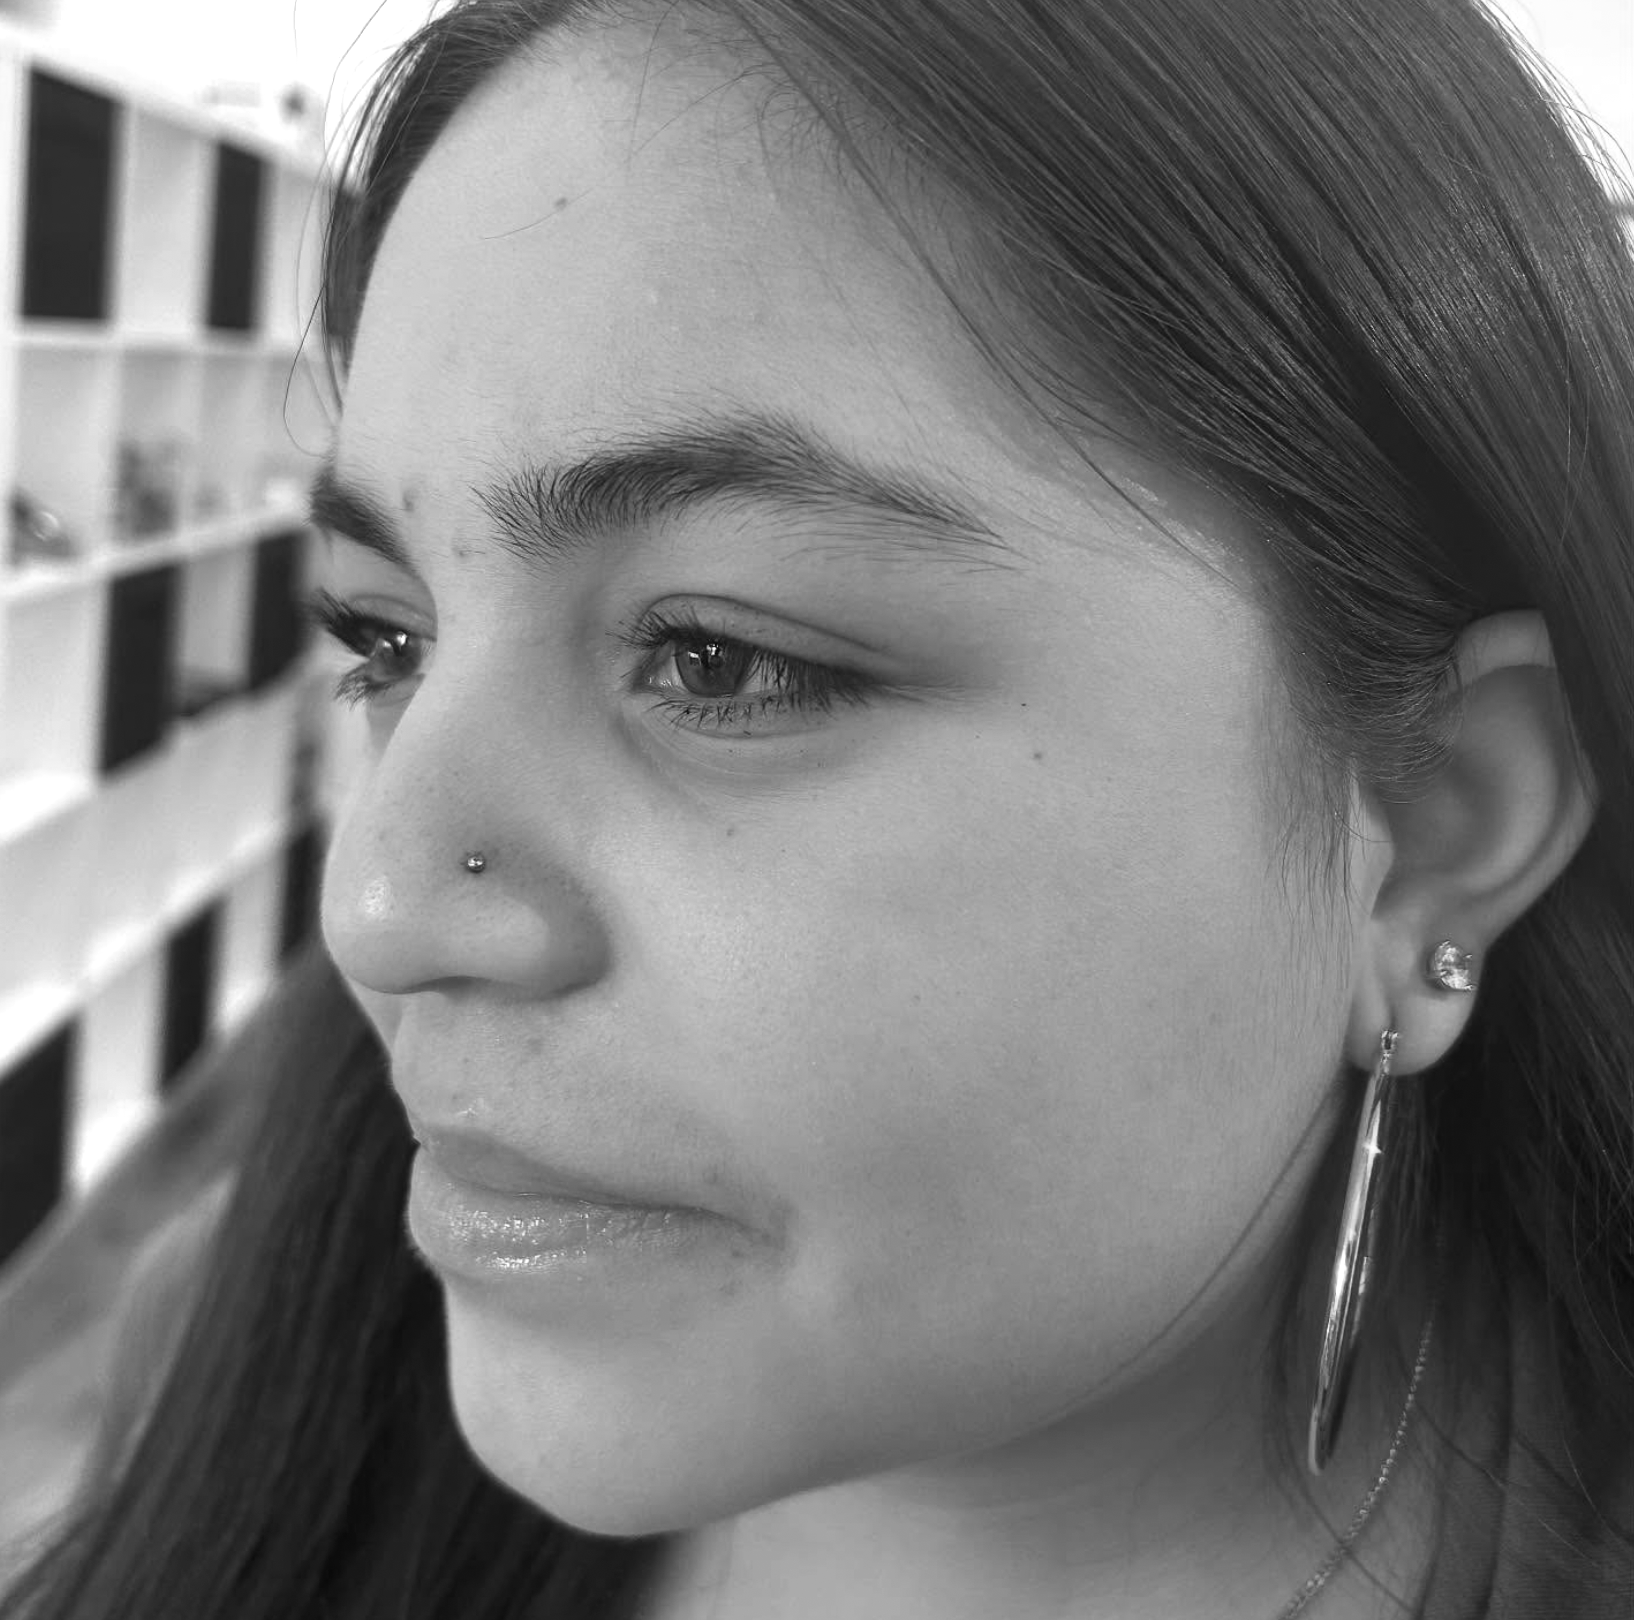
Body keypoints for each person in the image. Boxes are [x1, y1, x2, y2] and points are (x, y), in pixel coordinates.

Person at [4, 1, 1633, 1615]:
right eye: (389, 641)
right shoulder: (228, 1348)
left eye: (719, 660)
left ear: (1428, 827)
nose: (378, 906)